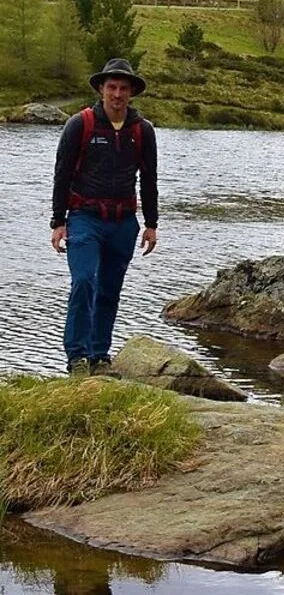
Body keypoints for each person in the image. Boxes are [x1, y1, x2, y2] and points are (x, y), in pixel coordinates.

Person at [50, 58, 158, 377]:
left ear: (131, 93)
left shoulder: (143, 131)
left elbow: (149, 179)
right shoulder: (80, 124)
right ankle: (77, 358)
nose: (117, 94)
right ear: (101, 89)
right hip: (84, 217)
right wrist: (58, 222)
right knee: (84, 281)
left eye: (123, 88)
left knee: (109, 290)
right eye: (112, 87)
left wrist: (151, 224)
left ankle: (99, 356)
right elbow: (62, 174)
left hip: (123, 222)